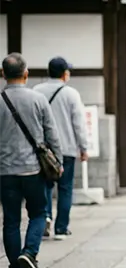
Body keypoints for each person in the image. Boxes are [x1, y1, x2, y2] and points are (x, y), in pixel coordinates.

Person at [0, 53, 62, 268]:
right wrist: (59, 162)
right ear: (26, 74)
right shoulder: (37, 99)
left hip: (5, 171)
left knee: (11, 220)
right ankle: (29, 253)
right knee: (38, 213)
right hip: (33, 169)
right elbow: (52, 135)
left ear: (2, 74)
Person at [33, 57, 89, 240]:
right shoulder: (71, 94)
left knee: (45, 187)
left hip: (43, 151)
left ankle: (46, 217)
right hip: (67, 148)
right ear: (64, 74)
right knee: (65, 188)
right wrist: (84, 147)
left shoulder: (36, 92)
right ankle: (61, 228)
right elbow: (78, 123)